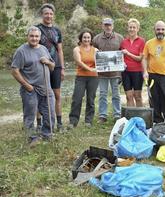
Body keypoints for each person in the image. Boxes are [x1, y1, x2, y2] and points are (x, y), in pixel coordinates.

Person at [11, 26, 55, 145]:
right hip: (30, 89)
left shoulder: (44, 49)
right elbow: (15, 70)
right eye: (32, 36)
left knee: (50, 112)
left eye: (36, 36)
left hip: (46, 88)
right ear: (28, 37)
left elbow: (52, 67)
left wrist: (48, 62)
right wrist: (26, 85)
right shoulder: (21, 51)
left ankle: (47, 135)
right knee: (30, 114)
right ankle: (31, 138)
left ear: (40, 38)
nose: (34, 38)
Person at [142, 21, 165, 125]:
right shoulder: (149, 43)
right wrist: (144, 71)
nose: (160, 31)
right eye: (158, 29)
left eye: (162, 29)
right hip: (152, 76)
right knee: (154, 99)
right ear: (154, 30)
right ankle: (157, 121)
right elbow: (144, 58)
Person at [36, 3, 65, 132]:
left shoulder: (57, 31)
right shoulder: (36, 29)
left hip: (56, 66)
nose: (49, 16)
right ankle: (39, 124)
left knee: (57, 95)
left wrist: (62, 68)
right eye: (46, 13)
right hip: (41, 66)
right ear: (42, 15)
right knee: (40, 95)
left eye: (51, 14)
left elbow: (60, 50)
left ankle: (59, 123)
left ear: (53, 15)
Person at [92, 18, 124, 123]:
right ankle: (102, 115)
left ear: (113, 26)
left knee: (116, 94)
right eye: (106, 25)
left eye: (109, 25)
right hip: (102, 73)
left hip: (116, 73)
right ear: (102, 26)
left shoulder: (120, 38)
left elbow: (123, 53)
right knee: (102, 94)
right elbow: (92, 53)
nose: (108, 27)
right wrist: (95, 51)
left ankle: (117, 115)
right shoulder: (96, 39)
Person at [68, 29, 99, 128]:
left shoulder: (96, 50)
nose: (86, 39)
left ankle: (88, 121)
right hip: (81, 77)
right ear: (81, 38)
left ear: (91, 39)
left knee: (91, 99)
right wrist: (90, 68)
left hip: (93, 78)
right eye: (84, 37)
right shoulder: (77, 49)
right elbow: (79, 62)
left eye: (88, 37)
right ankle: (73, 121)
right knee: (77, 99)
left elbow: (100, 62)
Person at [120, 18, 145, 107]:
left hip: (137, 72)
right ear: (128, 28)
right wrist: (121, 62)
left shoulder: (141, 41)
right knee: (128, 96)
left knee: (137, 96)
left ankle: (140, 117)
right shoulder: (123, 42)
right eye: (130, 27)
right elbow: (120, 56)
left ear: (137, 29)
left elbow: (140, 58)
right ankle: (131, 118)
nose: (132, 29)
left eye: (134, 27)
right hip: (126, 72)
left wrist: (128, 53)